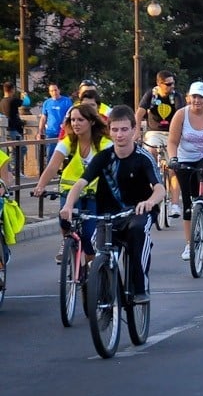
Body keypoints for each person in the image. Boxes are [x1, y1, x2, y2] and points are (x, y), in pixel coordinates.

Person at [59, 105, 165, 304]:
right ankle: (106, 291)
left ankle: (140, 286)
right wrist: (68, 206)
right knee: (99, 246)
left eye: (124, 129)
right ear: (109, 130)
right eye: (115, 130)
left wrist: (149, 202)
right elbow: (81, 183)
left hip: (138, 211)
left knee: (137, 233)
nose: (119, 135)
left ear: (134, 130)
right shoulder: (103, 158)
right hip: (109, 214)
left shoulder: (143, 158)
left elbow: (159, 188)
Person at [33, 104, 112, 263]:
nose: (75, 123)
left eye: (80, 120)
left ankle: (91, 270)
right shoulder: (69, 141)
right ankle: (67, 242)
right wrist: (40, 186)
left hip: (94, 193)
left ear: (91, 122)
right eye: (73, 120)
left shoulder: (105, 143)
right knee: (64, 220)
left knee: (89, 236)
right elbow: (53, 166)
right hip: (69, 190)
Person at [167, 81, 203, 261]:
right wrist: (173, 158)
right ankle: (189, 244)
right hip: (185, 157)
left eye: (201, 97)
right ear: (188, 98)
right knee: (187, 199)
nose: (197, 101)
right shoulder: (180, 115)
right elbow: (172, 141)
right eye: (194, 97)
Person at [134, 70, 184, 217]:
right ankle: (151, 182)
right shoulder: (151, 95)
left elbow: (182, 115)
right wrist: (136, 131)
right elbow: (139, 114)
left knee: (174, 167)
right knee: (149, 152)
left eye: (173, 83)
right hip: (154, 133)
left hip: (171, 134)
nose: (171, 87)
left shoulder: (177, 97)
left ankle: (175, 205)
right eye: (168, 84)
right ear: (159, 84)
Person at [37, 84, 74, 164]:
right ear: (49, 92)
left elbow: (71, 115)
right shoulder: (47, 103)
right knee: (50, 153)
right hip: (51, 132)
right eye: (52, 91)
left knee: (66, 153)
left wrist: (66, 123)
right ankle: (50, 173)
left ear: (59, 90)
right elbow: (43, 118)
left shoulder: (67, 101)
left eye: (55, 90)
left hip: (64, 132)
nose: (54, 92)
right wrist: (40, 131)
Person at [1, 82, 27, 175]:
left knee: (12, 151)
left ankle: (12, 170)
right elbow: (27, 102)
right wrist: (25, 95)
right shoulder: (13, 100)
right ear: (12, 89)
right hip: (13, 129)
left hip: (6, 129)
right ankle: (15, 170)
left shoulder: (2, 101)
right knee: (22, 148)